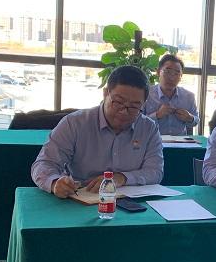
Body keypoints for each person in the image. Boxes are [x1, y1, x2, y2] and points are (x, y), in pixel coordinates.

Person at [31, 65, 164, 198]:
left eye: (134, 107)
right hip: (81, 198)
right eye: (118, 102)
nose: (124, 112)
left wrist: (121, 178)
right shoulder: (75, 123)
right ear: (105, 93)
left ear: (143, 104)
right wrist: (55, 182)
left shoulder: (149, 129)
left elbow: (155, 171)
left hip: (129, 201)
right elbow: (44, 163)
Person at [144, 54, 199, 135]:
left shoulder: (189, 96)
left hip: (180, 141)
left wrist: (190, 118)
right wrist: (157, 115)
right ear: (158, 72)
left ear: (181, 76)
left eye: (176, 73)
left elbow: (196, 121)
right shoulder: (146, 94)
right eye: (167, 72)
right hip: (152, 140)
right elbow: (137, 121)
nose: (171, 78)